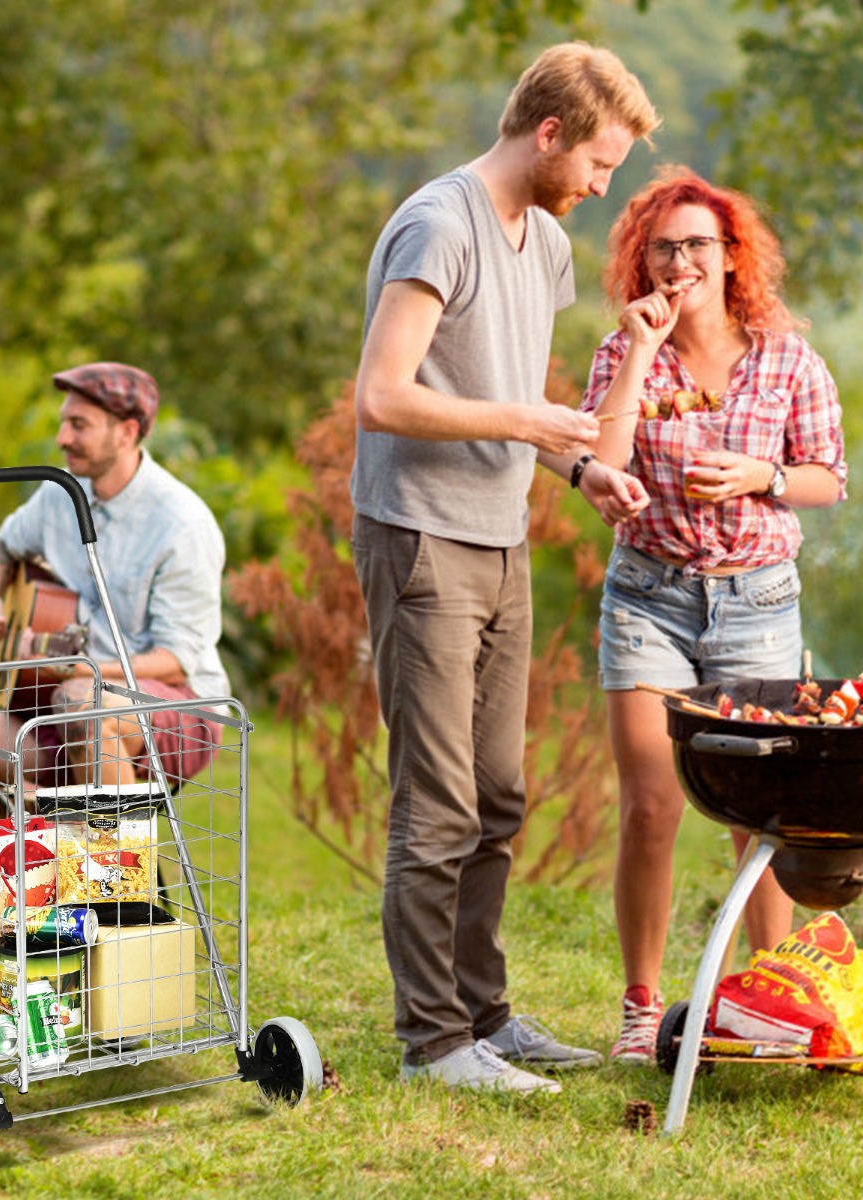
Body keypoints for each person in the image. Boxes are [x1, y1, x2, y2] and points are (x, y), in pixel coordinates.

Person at [350, 42, 659, 1094]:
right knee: (435, 800)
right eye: (599, 164)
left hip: (500, 535)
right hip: (420, 534)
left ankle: (485, 1016)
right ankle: (433, 1042)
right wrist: (528, 419)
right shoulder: (441, 223)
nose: (601, 187)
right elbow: (383, 396)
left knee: (497, 794)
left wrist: (574, 470)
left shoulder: (548, 246)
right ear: (549, 133)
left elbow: (509, 394)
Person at [581, 168, 847, 1064]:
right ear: (643, 260)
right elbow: (600, 463)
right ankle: (641, 1007)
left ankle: (764, 1005)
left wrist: (759, 476)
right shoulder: (624, 350)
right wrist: (639, 353)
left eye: (699, 244)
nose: (682, 260)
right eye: (665, 247)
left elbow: (827, 478)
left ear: (731, 256)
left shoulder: (786, 357)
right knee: (652, 804)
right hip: (649, 595)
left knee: (761, 816)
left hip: (759, 600)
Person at [0, 362, 230, 807]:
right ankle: (54, 841)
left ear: (127, 431)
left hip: (175, 709)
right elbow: (3, 546)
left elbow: (175, 662)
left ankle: (116, 874)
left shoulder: (182, 525)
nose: (62, 437)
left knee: (84, 703)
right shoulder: (60, 493)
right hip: (56, 699)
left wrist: (81, 671)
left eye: (79, 425)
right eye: (63, 422)